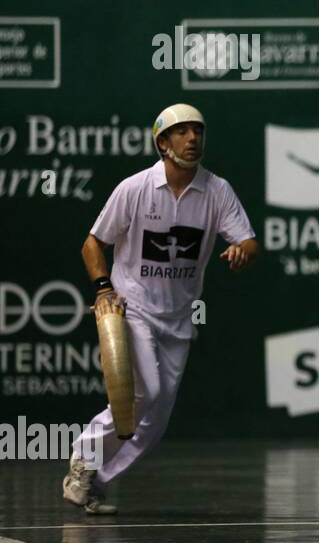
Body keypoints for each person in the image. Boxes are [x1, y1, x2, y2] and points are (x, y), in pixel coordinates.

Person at [63, 104, 258, 514]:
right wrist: (103, 289)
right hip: (132, 307)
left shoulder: (217, 191)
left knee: (156, 420)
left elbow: (249, 240)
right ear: (163, 142)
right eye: (182, 132)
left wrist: (242, 251)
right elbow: (92, 243)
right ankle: (83, 454)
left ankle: (94, 480)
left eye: (197, 132)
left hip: (179, 319)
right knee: (144, 392)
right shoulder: (134, 188)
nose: (192, 139)